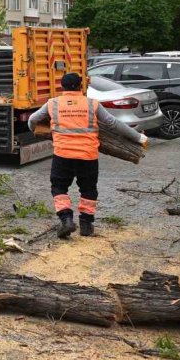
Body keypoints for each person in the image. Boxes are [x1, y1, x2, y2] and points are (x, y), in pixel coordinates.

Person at [28, 72, 147, 239]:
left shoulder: (52, 104)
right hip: (88, 155)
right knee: (88, 188)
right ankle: (86, 224)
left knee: (59, 187)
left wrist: (33, 128)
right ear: (80, 86)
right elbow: (113, 123)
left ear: (62, 87)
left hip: (63, 154)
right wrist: (138, 137)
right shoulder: (92, 104)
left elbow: (33, 119)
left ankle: (66, 219)